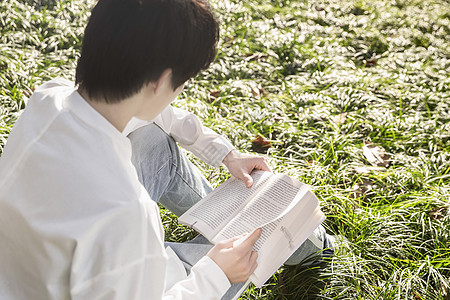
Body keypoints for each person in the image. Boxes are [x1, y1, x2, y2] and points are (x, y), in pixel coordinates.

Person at [0, 0, 334, 299]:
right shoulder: (126, 213)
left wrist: (226, 154)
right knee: (252, 243)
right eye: (184, 82)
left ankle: (242, 219)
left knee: (149, 139)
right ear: (162, 81)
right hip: (119, 280)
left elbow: (161, 115)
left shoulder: (50, 98)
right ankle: (304, 240)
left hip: (31, 265)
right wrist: (217, 275)